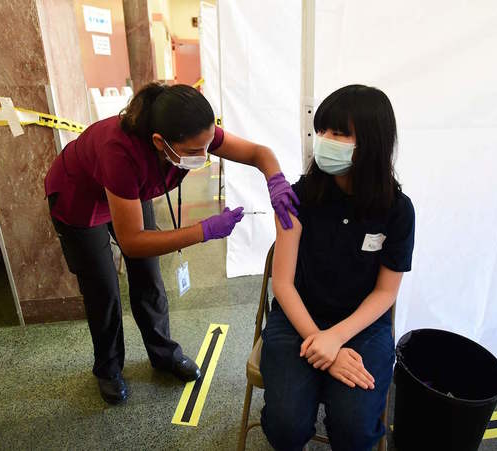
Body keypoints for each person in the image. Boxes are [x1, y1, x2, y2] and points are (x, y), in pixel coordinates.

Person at [44, 83, 299, 405]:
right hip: (80, 198)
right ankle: (108, 369)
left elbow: (258, 153)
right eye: (194, 151)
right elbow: (133, 242)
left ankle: (163, 353)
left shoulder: (192, 132)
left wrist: (275, 179)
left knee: (149, 278)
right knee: (103, 290)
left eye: (207, 146)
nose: (203, 156)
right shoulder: (118, 152)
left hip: (131, 193)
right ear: (159, 142)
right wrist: (203, 230)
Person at [259, 85, 415, 450]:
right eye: (323, 130)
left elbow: (385, 292)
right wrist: (323, 345)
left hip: (361, 323)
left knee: (355, 428)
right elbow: (282, 284)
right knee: (286, 425)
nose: (325, 140)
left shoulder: (397, 210)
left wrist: (336, 338)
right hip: (298, 316)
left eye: (340, 133)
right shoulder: (298, 196)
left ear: (372, 142)